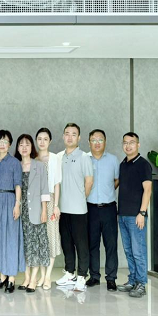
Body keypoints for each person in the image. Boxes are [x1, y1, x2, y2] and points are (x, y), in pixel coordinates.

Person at [55, 123, 94, 293]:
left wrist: (80, 198)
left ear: (79, 138)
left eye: (73, 134)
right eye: (67, 133)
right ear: (63, 136)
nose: (69, 137)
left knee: (81, 244)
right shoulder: (58, 157)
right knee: (66, 243)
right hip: (62, 209)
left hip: (78, 209)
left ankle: (82, 276)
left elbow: (89, 181)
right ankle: (70, 273)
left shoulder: (84, 157)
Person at [117, 132, 152, 298]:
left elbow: (148, 190)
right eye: (125, 142)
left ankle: (141, 283)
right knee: (129, 251)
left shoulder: (143, 164)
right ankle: (132, 280)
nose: (128, 145)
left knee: (139, 251)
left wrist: (142, 212)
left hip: (136, 216)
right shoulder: (123, 164)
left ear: (138, 145)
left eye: (132, 142)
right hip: (122, 215)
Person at [15, 134, 50, 293]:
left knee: (35, 244)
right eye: (21, 144)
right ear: (17, 148)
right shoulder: (16, 165)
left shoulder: (39, 165)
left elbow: (44, 189)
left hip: (36, 211)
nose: (24, 147)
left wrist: (44, 210)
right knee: (25, 244)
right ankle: (27, 277)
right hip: (20, 211)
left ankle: (34, 279)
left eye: (27, 144)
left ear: (32, 147)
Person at [86, 129, 120, 291]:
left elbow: (117, 179)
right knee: (92, 244)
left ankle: (111, 278)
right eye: (94, 140)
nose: (97, 143)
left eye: (100, 140)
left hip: (109, 208)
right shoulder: (84, 159)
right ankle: (94, 276)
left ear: (105, 142)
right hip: (90, 209)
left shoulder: (113, 160)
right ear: (89, 143)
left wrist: (108, 192)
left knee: (111, 244)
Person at [0, 129, 23, 293]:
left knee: (11, 238)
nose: (2, 144)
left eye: (5, 141)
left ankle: (11, 278)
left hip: (10, 200)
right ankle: (2, 276)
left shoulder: (15, 162)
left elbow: (18, 184)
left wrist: (17, 204)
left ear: (10, 144)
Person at [35, 128, 62, 290]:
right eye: (39, 138)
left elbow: (57, 183)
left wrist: (56, 205)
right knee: (39, 239)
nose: (42, 142)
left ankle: (47, 276)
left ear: (50, 141)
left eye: (45, 139)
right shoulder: (33, 159)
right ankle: (41, 274)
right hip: (35, 202)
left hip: (51, 200)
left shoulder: (55, 158)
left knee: (51, 237)